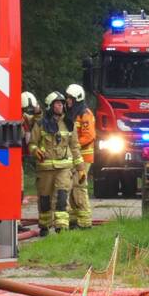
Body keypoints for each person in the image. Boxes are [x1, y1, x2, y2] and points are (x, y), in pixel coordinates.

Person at [28, 91, 82, 236]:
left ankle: (61, 228)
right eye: (57, 103)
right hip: (45, 168)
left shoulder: (69, 124)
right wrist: (35, 151)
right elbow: (32, 143)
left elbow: (75, 147)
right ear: (50, 106)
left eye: (62, 103)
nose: (61, 106)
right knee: (44, 199)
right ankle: (45, 226)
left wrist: (80, 168)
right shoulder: (40, 124)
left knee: (62, 197)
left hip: (64, 168)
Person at [65, 83, 94, 229]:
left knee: (79, 187)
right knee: (70, 187)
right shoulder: (71, 113)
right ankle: (73, 220)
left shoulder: (85, 113)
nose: (67, 101)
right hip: (73, 156)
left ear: (77, 98)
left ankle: (85, 222)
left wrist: (72, 145)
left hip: (84, 157)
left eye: (70, 98)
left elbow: (89, 136)